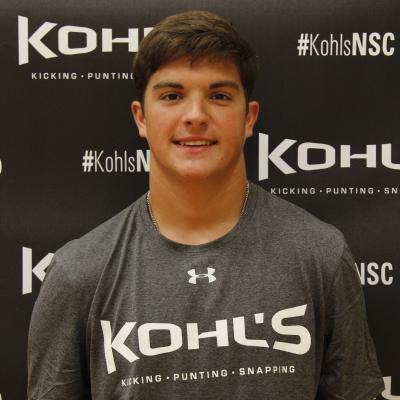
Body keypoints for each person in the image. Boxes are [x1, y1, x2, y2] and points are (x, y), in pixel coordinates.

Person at [27, 10, 384, 400]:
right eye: (172, 96)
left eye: (219, 96)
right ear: (141, 118)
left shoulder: (319, 255)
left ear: (248, 118)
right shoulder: (79, 273)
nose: (195, 116)